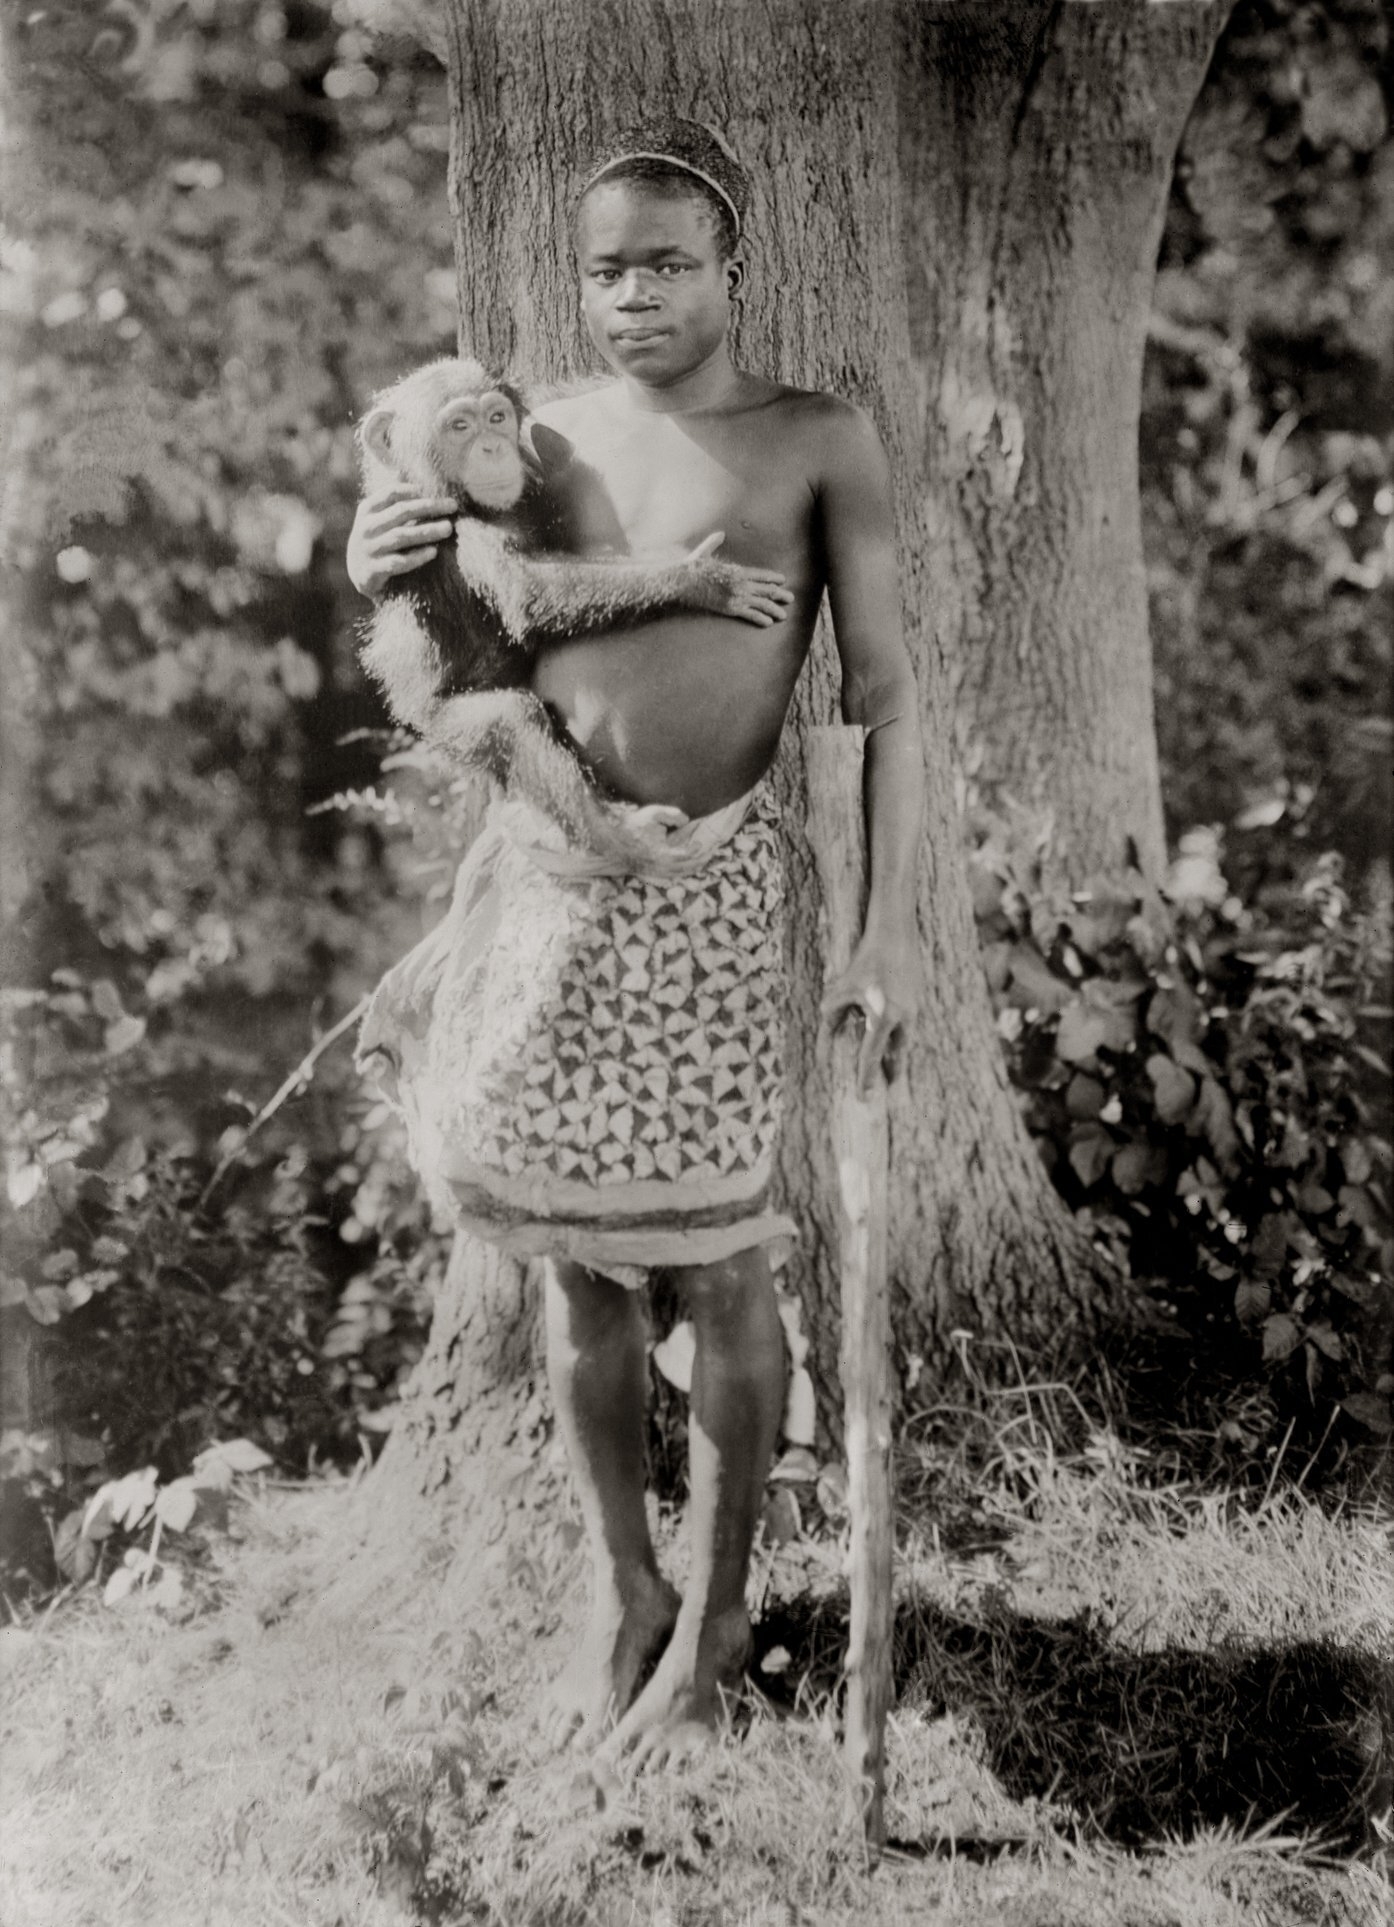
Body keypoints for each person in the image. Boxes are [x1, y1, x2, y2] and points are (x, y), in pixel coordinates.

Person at [348, 119, 924, 1776]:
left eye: (668, 265)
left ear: (732, 269)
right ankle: (624, 1589)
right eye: (606, 271)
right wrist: (376, 549)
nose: (633, 299)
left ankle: (720, 1623)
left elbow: (885, 701)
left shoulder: (813, 439)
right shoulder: (538, 437)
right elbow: (433, 570)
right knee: (574, 1259)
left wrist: (883, 932)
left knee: (719, 1256)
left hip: (715, 892)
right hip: (551, 880)